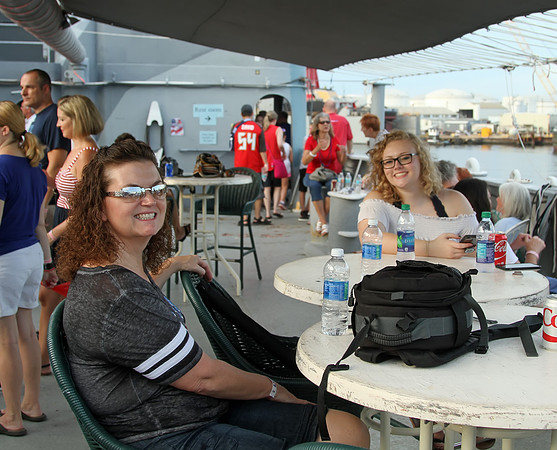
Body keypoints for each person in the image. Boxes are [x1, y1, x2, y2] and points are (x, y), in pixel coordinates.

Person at [56, 139, 370, 449]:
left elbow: (140, 295)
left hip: (195, 408)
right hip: (166, 431)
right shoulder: (119, 296)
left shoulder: (115, 270)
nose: (149, 200)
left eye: (156, 189)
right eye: (131, 193)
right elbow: (204, 379)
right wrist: (272, 388)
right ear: (99, 208)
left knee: (348, 429)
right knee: (340, 438)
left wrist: (173, 263)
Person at [0, 101, 56, 436]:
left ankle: (11, 417)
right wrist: (48, 263)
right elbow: (39, 225)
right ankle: (31, 404)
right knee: (26, 333)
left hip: (5, 259)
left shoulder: (0, 167)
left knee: (5, 340)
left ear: (4, 130)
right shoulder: (36, 171)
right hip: (31, 256)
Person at [37, 95, 103, 376]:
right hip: (64, 225)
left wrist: (52, 234)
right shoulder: (76, 150)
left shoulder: (87, 153)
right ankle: (46, 357)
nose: (58, 124)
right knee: (49, 295)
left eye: (63, 118)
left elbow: (86, 210)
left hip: (71, 231)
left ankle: (44, 359)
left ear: (77, 119)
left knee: (51, 295)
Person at [358, 130, 477, 258]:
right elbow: (370, 239)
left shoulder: (455, 200)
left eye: (405, 158)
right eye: (388, 162)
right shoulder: (377, 200)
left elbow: (479, 249)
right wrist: (430, 248)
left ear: (422, 160)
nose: (396, 166)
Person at [20, 69, 71, 205]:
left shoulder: (52, 117)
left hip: (47, 200)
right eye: (22, 87)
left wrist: (42, 203)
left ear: (45, 89)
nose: (23, 92)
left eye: (29, 87)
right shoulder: (39, 118)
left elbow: (56, 163)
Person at [302, 113, 346, 236]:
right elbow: (304, 161)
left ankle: (321, 221)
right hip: (313, 173)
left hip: (330, 173)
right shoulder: (311, 140)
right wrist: (316, 149)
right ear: (317, 125)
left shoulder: (334, 140)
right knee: (314, 186)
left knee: (331, 188)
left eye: (328, 122)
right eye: (322, 122)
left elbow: (341, 162)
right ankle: (324, 222)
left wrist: (344, 152)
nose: (326, 124)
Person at [232, 104, 269, 224]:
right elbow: (262, 149)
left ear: (241, 114)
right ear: (252, 114)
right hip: (254, 164)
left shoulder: (236, 127)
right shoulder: (258, 127)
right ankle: (257, 217)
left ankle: (244, 218)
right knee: (257, 191)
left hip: (240, 164)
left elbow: (232, 146)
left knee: (242, 191)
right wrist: (265, 163)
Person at [263, 111, 285, 220]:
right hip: (275, 162)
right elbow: (280, 144)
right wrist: (283, 152)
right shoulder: (278, 129)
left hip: (264, 164)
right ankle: (275, 209)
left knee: (266, 188)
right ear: (275, 120)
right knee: (277, 187)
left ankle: (267, 213)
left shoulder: (262, 130)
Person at [278, 130, 293, 211]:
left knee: (277, 186)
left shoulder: (275, 145)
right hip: (286, 165)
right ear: (285, 137)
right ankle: (282, 201)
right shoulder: (288, 146)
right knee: (284, 185)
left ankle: (276, 201)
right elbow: (291, 159)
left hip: (277, 165)